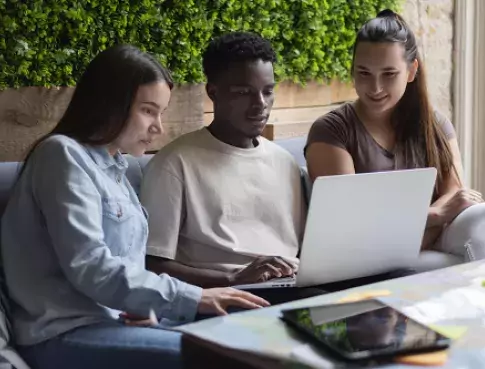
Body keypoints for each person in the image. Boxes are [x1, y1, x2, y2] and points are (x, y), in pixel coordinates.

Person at [0, 44, 269, 369]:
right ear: (110, 104)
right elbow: (91, 267)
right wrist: (196, 295)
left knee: (253, 327)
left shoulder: (117, 169)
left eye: (161, 112)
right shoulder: (61, 156)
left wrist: (146, 311)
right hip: (63, 333)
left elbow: (128, 267)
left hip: (116, 323)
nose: (158, 127)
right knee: (225, 356)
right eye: (148, 110)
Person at [140, 32, 322, 304]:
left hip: (294, 286)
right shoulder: (175, 164)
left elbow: (307, 249)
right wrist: (233, 280)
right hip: (229, 295)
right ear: (213, 92)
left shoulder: (285, 162)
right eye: (243, 93)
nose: (260, 104)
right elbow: (152, 264)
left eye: (268, 91)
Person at [305, 9, 485, 263]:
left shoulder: (435, 125)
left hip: (426, 240)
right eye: (364, 73)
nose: (375, 88)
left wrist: (422, 227)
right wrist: (432, 216)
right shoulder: (331, 130)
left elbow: (455, 196)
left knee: (481, 218)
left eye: (389, 74)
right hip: (362, 254)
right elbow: (349, 222)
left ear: (412, 71)